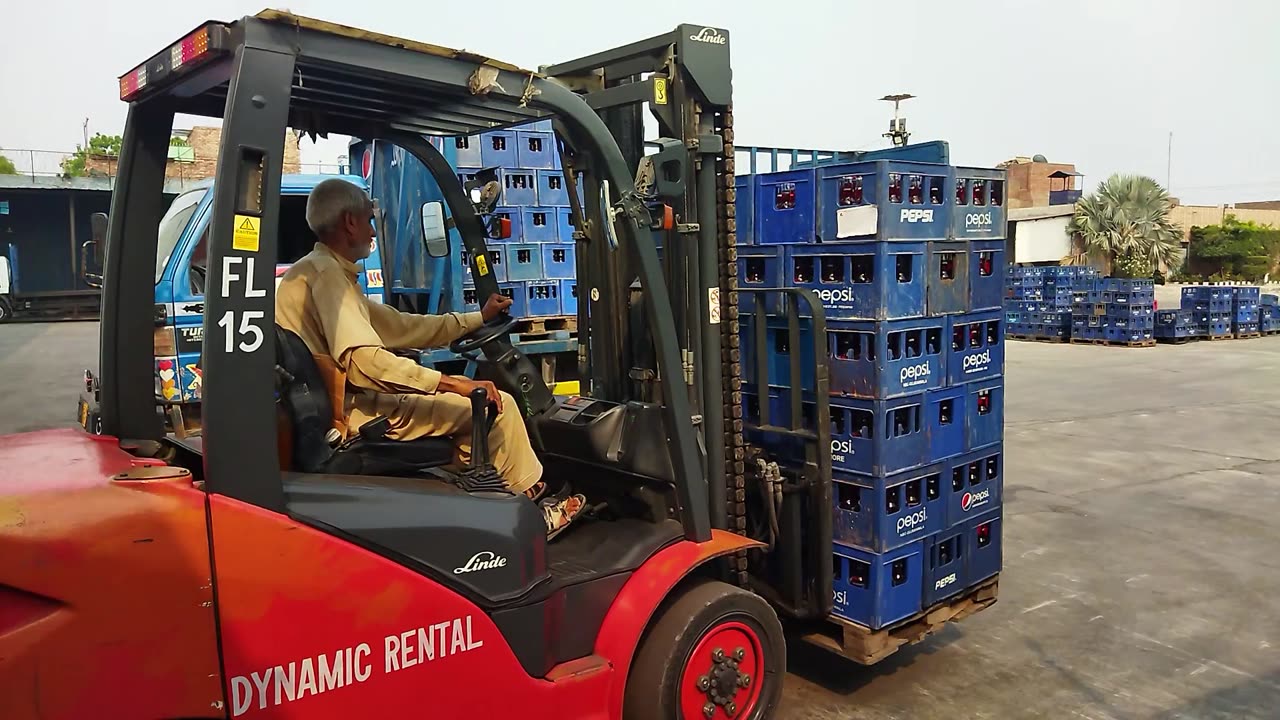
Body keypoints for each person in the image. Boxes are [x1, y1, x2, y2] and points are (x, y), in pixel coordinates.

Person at [275, 177, 584, 538]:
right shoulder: (329, 278)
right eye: (369, 220)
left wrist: (478, 318)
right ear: (350, 222)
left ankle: (484, 505)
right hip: (353, 414)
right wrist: (453, 383)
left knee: (470, 409)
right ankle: (529, 519)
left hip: (332, 407)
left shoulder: (314, 271)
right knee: (496, 408)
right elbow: (364, 363)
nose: (374, 231)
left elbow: (404, 326)